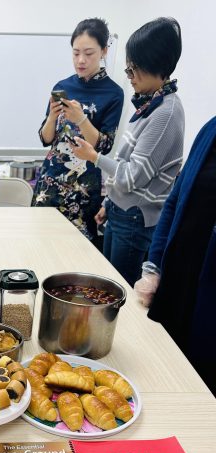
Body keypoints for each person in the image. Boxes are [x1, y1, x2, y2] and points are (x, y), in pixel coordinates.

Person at [72, 17, 184, 286]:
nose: (129, 76)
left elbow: (132, 176)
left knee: (119, 291)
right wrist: (109, 203)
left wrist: (94, 157)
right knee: (108, 284)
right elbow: (127, 161)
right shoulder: (150, 103)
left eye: (134, 69)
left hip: (134, 217)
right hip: (121, 210)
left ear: (155, 65)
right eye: (128, 68)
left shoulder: (165, 113)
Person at [134, 117, 216, 395]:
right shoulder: (211, 128)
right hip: (178, 286)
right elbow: (174, 202)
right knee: (167, 377)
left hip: (210, 302)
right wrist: (154, 267)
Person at [32, 18, 124, 243]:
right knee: (40, 241)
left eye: (89, 53)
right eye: (76, 53)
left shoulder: (114, 93)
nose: (81, 60)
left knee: (78, 248)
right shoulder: (63, 86)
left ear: (104, 51)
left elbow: (104, 146)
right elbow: (46, 139)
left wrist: (81, 119)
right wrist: (52, 117)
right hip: (51, 180)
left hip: (84, 185)